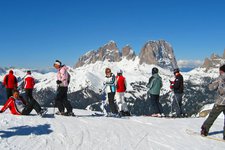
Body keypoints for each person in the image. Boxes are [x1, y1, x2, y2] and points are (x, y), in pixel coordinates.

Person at [201, 64, 225, 140]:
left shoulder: (220, 78)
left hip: (220, 102)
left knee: (212, 116)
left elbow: (211, 87)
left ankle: (204, 130)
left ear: (221, 71)